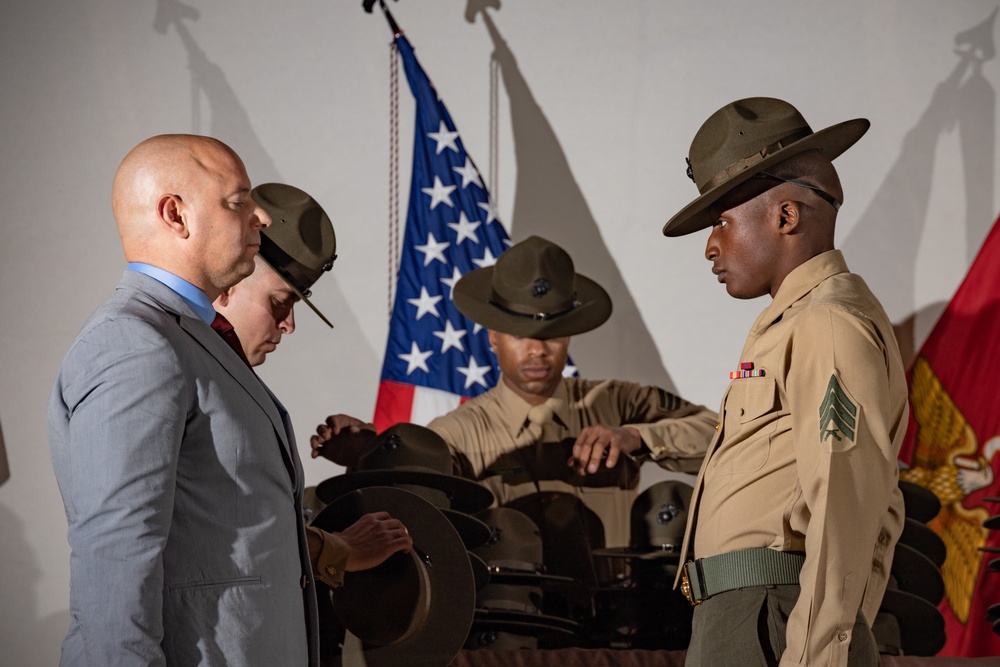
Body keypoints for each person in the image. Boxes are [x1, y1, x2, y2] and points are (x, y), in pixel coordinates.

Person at [47, 136, 403, 667]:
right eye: (237, 201)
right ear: (176, 214)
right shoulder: (135, 343)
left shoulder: (188, 341)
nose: (260, 214)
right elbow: (116, 560)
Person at [663, 97, 907, 666]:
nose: (709, 245)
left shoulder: (825, 323)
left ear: (786, 216)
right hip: (750, 617)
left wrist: (823, 650)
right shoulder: (795, 324)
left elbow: (850, 509)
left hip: (770, 620)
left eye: (722, 219)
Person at [313, 236, 718, 548]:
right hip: (514, 626)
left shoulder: (618, 402)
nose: (537, 349)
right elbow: (416, 503)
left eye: (553, 335)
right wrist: (367, 461)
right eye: (520, 335)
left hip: (620, 621)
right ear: (492, 336)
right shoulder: (455, 433)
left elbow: (721, 433)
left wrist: (639, 436)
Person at [213, 182, 412, 588]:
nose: (288, 324)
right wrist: (340, 550)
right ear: (229, 283)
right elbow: (217, 533)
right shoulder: (186, 378)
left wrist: (364, 464)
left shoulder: (228, 384)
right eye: (279, 301)